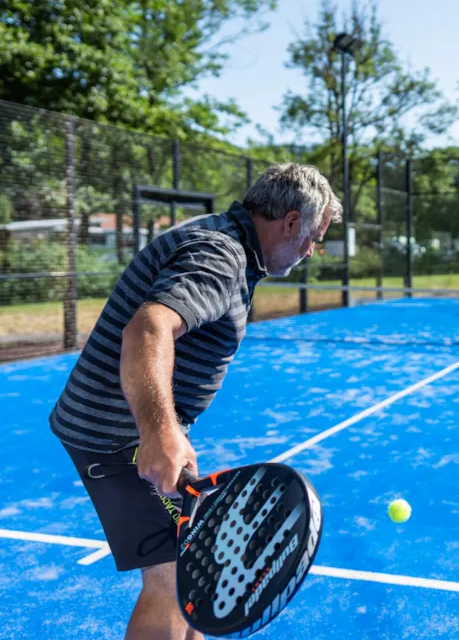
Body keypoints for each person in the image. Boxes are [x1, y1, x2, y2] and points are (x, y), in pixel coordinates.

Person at [49, 163, 340, 640]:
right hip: (115, 435)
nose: (313, 249)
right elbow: (149, 326)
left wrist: (167, 429)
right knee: (170, 581)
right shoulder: (222, 255)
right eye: (315, 235)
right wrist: (159, 432)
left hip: (128, 425)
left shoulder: (228, 243)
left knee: (193, 570)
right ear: (290, 222)